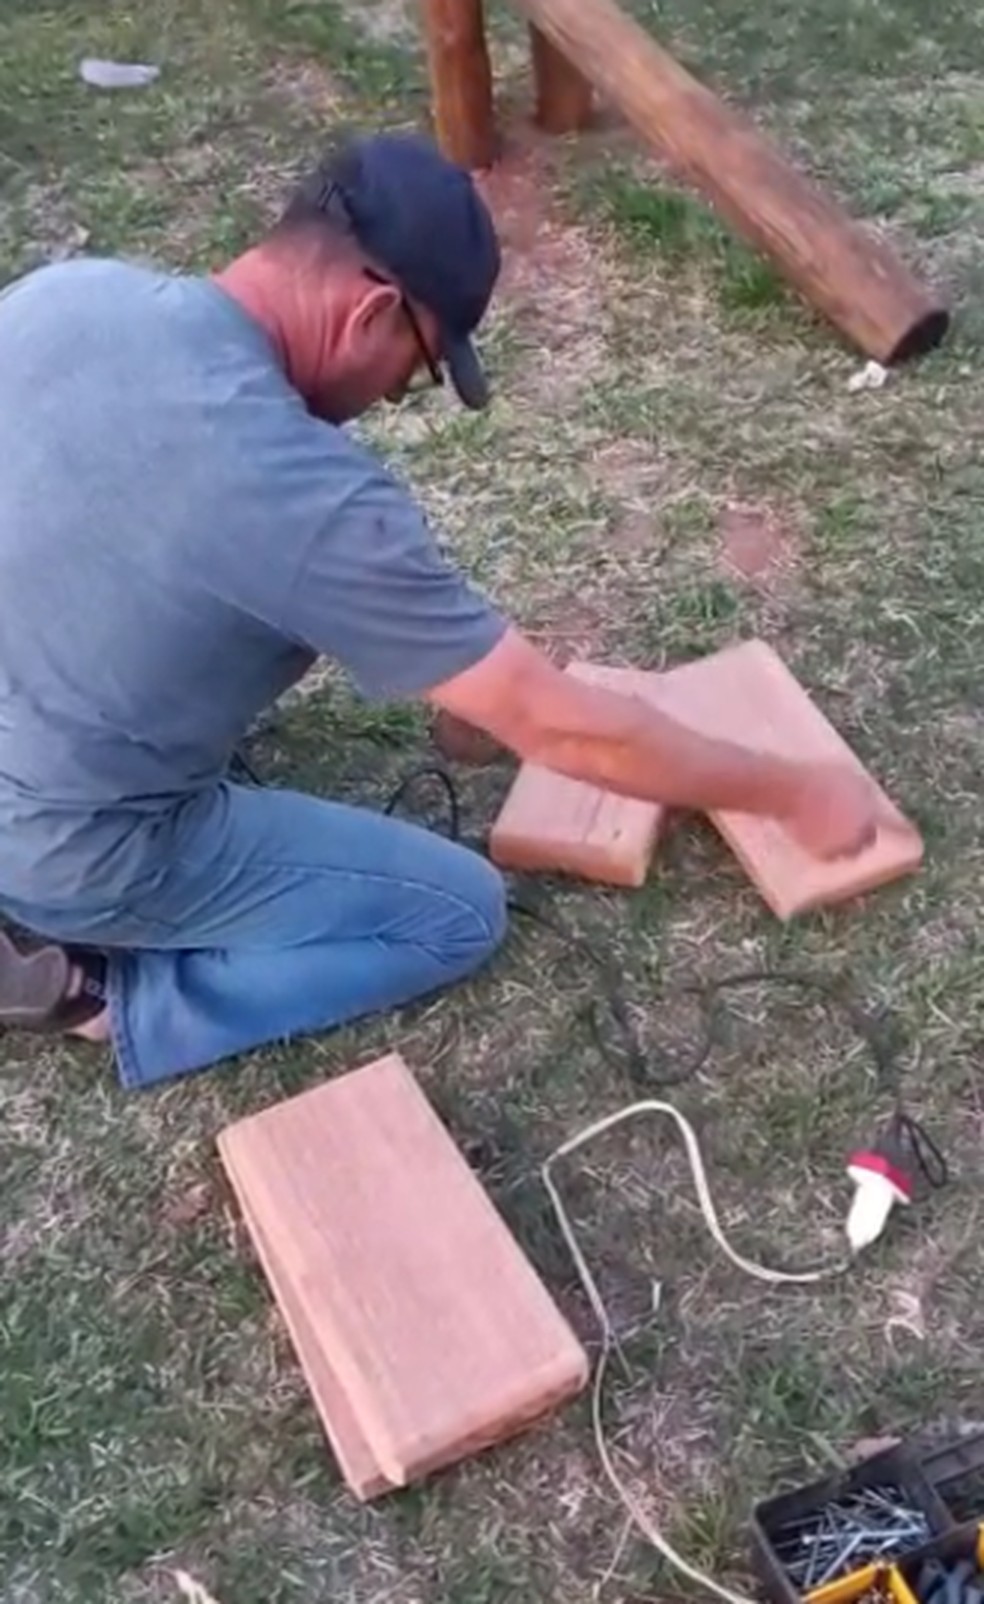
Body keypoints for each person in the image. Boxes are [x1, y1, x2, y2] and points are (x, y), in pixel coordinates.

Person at [0, 131, 887, 1091]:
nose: (390, 400)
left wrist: (461, 676)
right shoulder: (300, 493)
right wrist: (796, 790)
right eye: (417, 370)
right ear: (375, 312)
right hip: (71, 850)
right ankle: (97, 999)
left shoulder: (69, 295)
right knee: (453, 912)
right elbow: (570, 735)